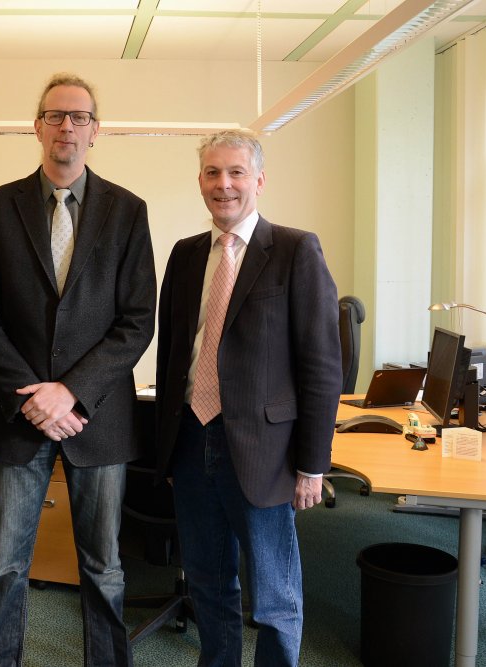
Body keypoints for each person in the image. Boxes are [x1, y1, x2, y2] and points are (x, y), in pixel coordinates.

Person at [0, 73, 156, 666]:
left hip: (96, 419)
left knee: (103, 567)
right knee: (5, 565)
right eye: (55, 116)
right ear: (37, 126)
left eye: (79, 117)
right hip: (20, 418)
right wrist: (33, 398)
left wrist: (70, 392)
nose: (66, 126)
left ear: (96, 131)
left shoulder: (128, 211)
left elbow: (136, 320)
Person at [155, 129, 342, 667]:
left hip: (265, 450)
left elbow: (322, 366)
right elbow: (174, 353)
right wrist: (167, 446)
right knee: (210, 584)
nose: (224, 184)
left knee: (274, 596)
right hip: (192, 441)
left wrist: (312, 464)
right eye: (213, 173)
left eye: (236, 172)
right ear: (200, 182)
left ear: (259, 180)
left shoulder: (294, 249)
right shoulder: (187, 255)